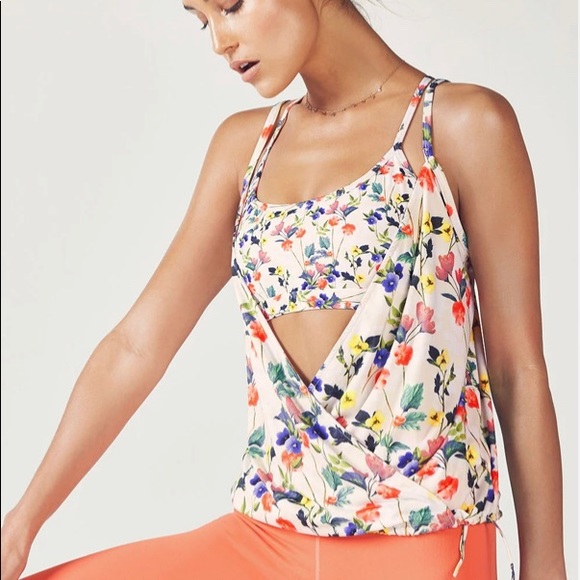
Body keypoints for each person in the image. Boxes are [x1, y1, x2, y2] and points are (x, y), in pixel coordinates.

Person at [0, 0, 569, 579]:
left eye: (231, 5)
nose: (220, 40)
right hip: (265, 536)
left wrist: (545, 567)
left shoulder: (462, 125)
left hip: (420, 540)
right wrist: (20, 525)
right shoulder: (244, 149)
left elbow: (517, 369)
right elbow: (137, 346)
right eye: (202, 19)